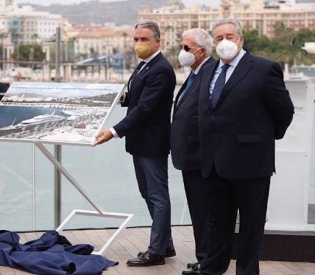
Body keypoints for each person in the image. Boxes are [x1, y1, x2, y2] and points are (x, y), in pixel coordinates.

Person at [197, 18, 294, 275]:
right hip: (214, 162)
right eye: (218, 38)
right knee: (217, 223)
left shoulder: (263, 69)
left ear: (240, 39)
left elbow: (284, 111)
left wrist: (260, 139)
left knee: (251, 224)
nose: (224, 41)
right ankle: (211, 269)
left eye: (229, 36)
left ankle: (247, 272)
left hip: (250, 163)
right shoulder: (209, 70)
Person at [94, 21, 176, 266]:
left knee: (157, 195)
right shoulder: (144, 67)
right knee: (148, 193)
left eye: (144, 40)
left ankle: (157, 251)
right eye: (136, 39)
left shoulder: (160, 69)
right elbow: (133, 98)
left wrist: (114, 130)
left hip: (152, 143)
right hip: (140, 143)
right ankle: (165, 243)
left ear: (158, 42)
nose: (139, 44)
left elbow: (145, 108)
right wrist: (114, 95)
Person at [170, 28, 214, 275]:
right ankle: (203, 257)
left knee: (204, 210)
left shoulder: (210, 73)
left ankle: (207, 260)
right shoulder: (195, 74)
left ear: (202, 51)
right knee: (199, 210)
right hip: (190, 156)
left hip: (201, 157)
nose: (182, 52)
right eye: (181, 46)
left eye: (186, 48)